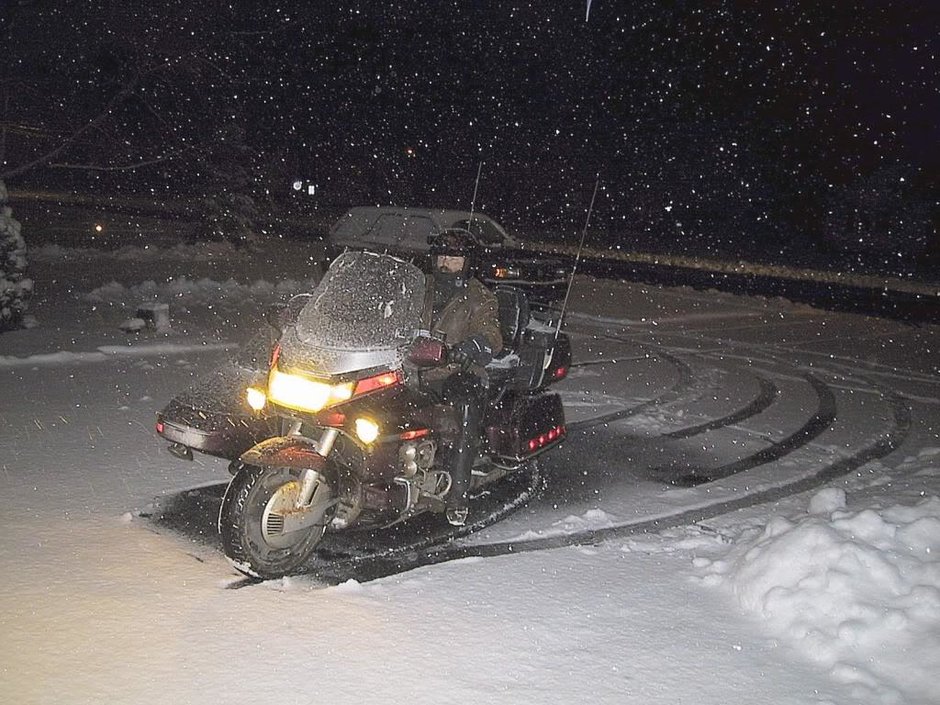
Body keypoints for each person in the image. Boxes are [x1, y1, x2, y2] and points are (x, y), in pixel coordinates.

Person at [422, 230, 503, 526]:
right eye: (441, 257)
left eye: (453, 258)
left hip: (455, 371)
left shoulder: (479, 296)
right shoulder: (420, 286)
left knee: (465, 405)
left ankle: (458, 495)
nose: (445, 263)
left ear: (467, 263)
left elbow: (491, 332)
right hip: (409, 366)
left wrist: (473, 346)